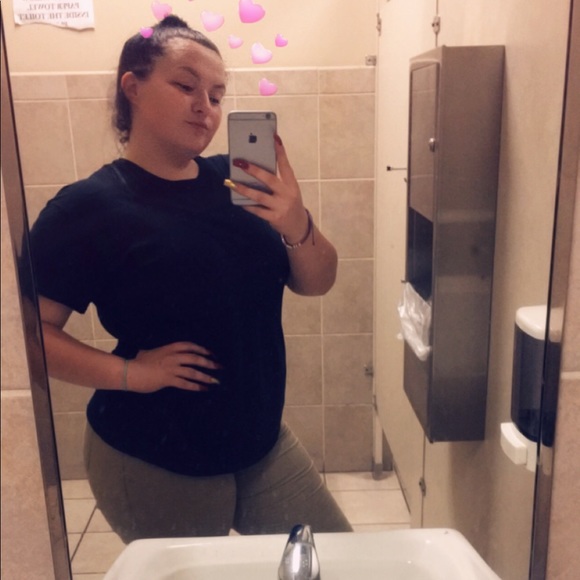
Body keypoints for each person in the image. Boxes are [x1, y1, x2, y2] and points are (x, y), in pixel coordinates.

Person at [29, 15, 352, 542]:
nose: (206, 106)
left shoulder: (237, 181)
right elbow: (30, 338)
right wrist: (131, 373)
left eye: (217, 95)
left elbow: (318, 282)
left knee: (336, 563)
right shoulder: (88, 208)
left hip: (260, 444)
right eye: (186, 86)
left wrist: (297, 222)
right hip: (154, 456)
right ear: (132, 88)